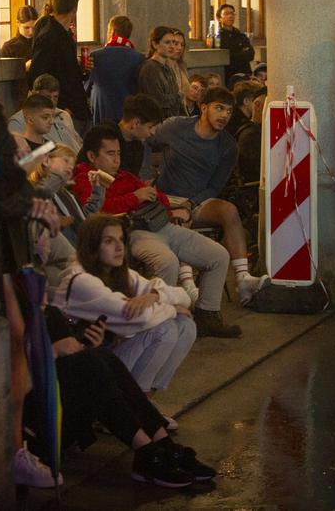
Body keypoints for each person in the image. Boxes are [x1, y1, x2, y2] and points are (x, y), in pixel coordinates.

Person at [0, 13, 63, 488]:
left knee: (17, 338)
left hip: (3, 228)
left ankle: (14, 446)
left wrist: (24, 191)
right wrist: (26, 199)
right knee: (11, 335)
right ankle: (7, 447)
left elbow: (1, 166)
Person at [71, 126, 239, 338]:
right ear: (92, 156)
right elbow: (96, 212)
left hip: (161, 224)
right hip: (132, 231)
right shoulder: (86, 179)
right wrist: (136, 198)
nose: (116, 160)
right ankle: (161, 322)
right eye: (110, 154)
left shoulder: (125, 176)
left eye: (119, 154)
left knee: (218, 255)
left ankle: (207, 314)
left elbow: (160, 196)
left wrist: (156, 200)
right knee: (167, 261)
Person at [41, 297, 215, 487]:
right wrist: (53, 352)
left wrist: (85, 346)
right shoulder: (77, 282)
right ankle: (147, 452)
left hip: (67, 396)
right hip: (40, 417)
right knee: (90, 362)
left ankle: (162, 445)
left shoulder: (50, 313)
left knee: (98, 356)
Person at [151, 86, 270, 305]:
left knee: (229, 210)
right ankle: (188, 286)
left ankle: (243, 279)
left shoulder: (228, 145)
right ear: (203, 107)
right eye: (219, 108)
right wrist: (146, 182)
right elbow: (145, 140)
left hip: (198, 200)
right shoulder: (175, 127)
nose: (225, 115)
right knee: (179, 219)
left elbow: (215, 186)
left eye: (229, 111)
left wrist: (190, 203)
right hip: (165, 198)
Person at [58, 215, 196, 404]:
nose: (119, 247)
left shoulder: (121, 273)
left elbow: (184, 297)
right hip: (80, 368)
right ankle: (132, 406)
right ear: (91, 246)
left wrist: (155, 295)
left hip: (106, 355)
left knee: (186, 326)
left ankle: (144, 402)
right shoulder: (80, 280)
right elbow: (139, 318)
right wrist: (172, 308)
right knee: (165, 328)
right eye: (109, 241)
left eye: (121, 239)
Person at [27, 0, 90, 133]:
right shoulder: (49, 35)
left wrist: (80, 68)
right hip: (64, 112)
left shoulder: (62, 32)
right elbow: (37, 77)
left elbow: (64, 70)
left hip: (73, 108)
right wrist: (62, 107)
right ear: (74, 9)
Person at [77, 93, 164, 178]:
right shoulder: (101, 136)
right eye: (150, 127)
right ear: (135, 123)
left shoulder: (137, 146)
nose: (152, 132)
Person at [89, 15, 144, 125]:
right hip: (127, 114)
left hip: (102, 111)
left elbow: (88, 84)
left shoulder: (96, 56)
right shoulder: (139, 57)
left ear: (112, 32)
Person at [8, 73, 83, 153]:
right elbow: (18, 157)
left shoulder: (63, 115)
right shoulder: (17, 122)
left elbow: (78, 143)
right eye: (47, 97)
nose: (52, 102)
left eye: (55, 97)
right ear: (35, 95)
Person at [138, 26, 186, 120]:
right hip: (158, 123)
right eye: (167, 42)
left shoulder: (168, 68)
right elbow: (157, 101)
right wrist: (177, 96)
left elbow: (176, 97)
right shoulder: (150, 68)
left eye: (173, 42)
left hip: (172, 121)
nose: (172, 46)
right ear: (155, 44)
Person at [216, 4, 256, 81]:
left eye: (232, 13)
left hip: (246, 74)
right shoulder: (218, 37)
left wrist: (236, 53)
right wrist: (242, 52)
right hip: (230, 76)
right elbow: (226, 57)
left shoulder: (241, 35)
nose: (230, 16)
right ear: (219, 18)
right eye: (227, 14)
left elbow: (251, 54)